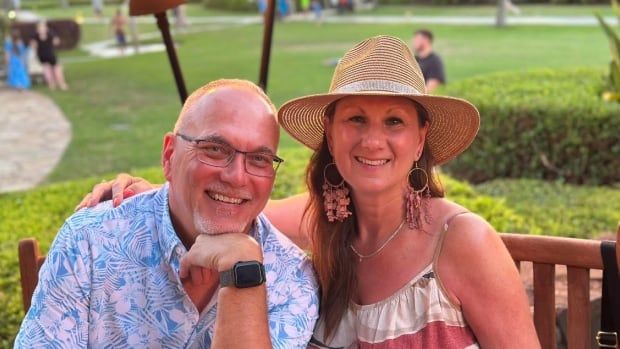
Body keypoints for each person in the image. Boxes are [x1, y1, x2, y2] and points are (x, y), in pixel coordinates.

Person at [79, 36, 540, 347]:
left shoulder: (463, 241)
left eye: (394, 122)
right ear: (331, 134)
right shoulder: (321, 220)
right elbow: (227, 205)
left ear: (420, 140)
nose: (372, 140)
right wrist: (149, 191)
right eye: (355, 118)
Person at [15, 79, 319, 348]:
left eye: (259, 158)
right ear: (169, 155)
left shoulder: (293, 279)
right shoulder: (90, 243)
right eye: (214, 149)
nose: (237, 176)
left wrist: (242, 271)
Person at [30, 21, 68, 91]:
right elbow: (56, 42)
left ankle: (51, 85)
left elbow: (33, 46)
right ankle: (62, 84)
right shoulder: (50, 34)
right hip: (50, 54)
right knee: (57, 69)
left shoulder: (35, 36)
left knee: (46, 70)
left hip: (41, 55)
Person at [412, 29, 445, 94]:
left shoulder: (434, 61)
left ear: (426, 40)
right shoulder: (414, 60)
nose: (414, 42)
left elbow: (432, 87)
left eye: (417, 39)